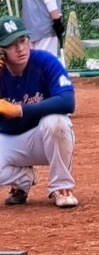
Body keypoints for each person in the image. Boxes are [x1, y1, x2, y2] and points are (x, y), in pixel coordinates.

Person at [0, 15, 78, 209]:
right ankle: (23, 178)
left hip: (45, 139)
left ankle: (61, 187)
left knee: (57, 122)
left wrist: (20, 110)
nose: (20, 48)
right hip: (11, 142)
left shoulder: (44, 61)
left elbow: (68, 102)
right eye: (12, 44)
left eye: (23, 40)